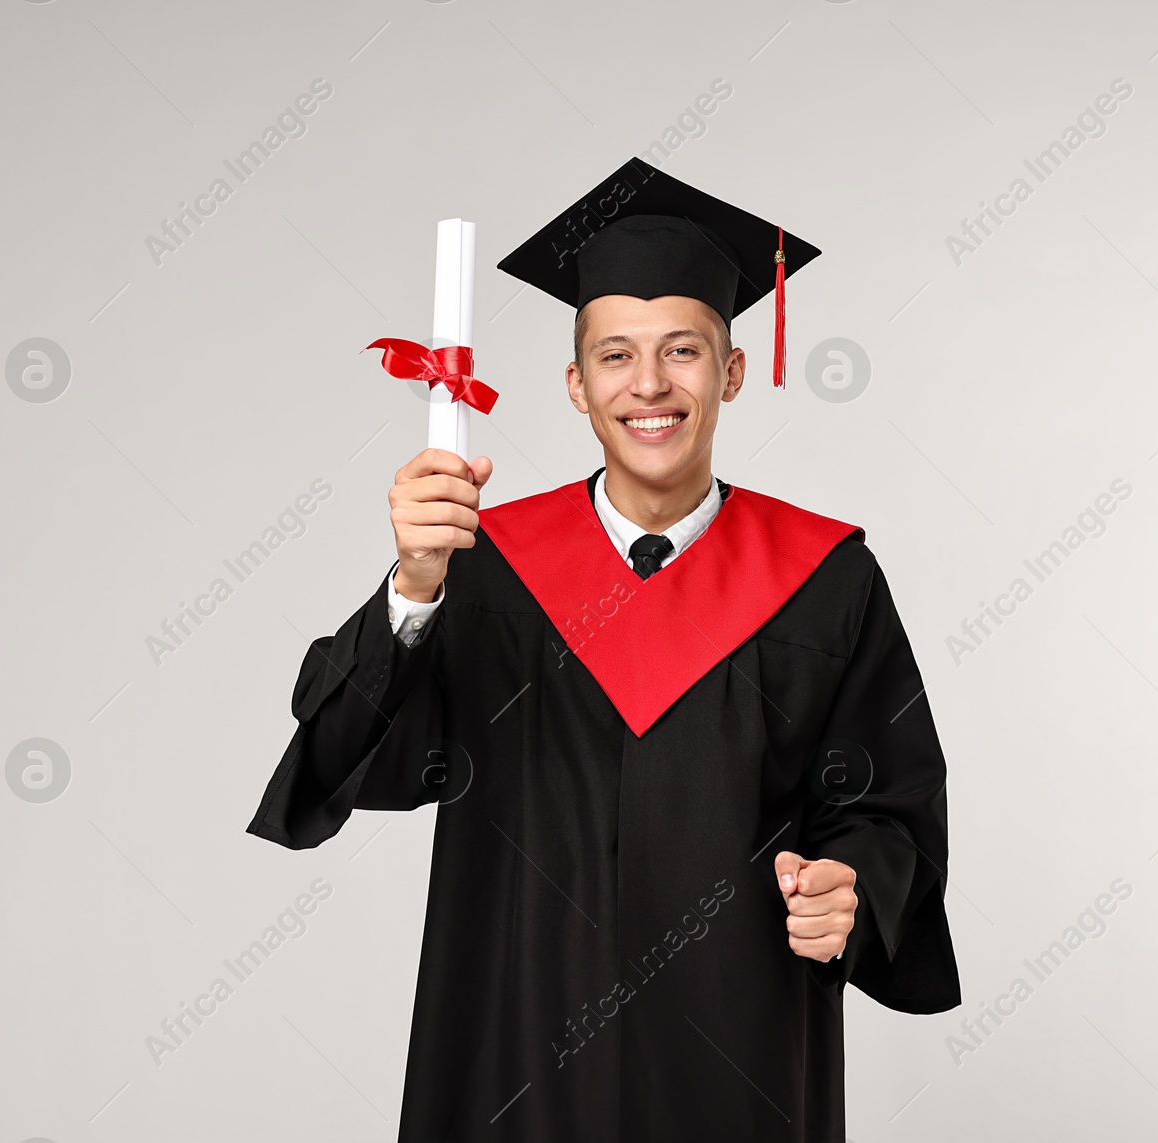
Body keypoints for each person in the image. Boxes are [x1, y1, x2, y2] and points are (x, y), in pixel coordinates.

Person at [246, 156, 960, 1142]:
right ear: (576, 386)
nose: (650, 384)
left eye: (684, 351)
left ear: (732, 371)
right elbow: (338, 761)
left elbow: (887, 808)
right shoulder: (484, 572)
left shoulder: (826, 579)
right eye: (616, 356)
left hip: (738, 1061)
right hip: (518, 1061)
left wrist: (852, 889)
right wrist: (412, 585)